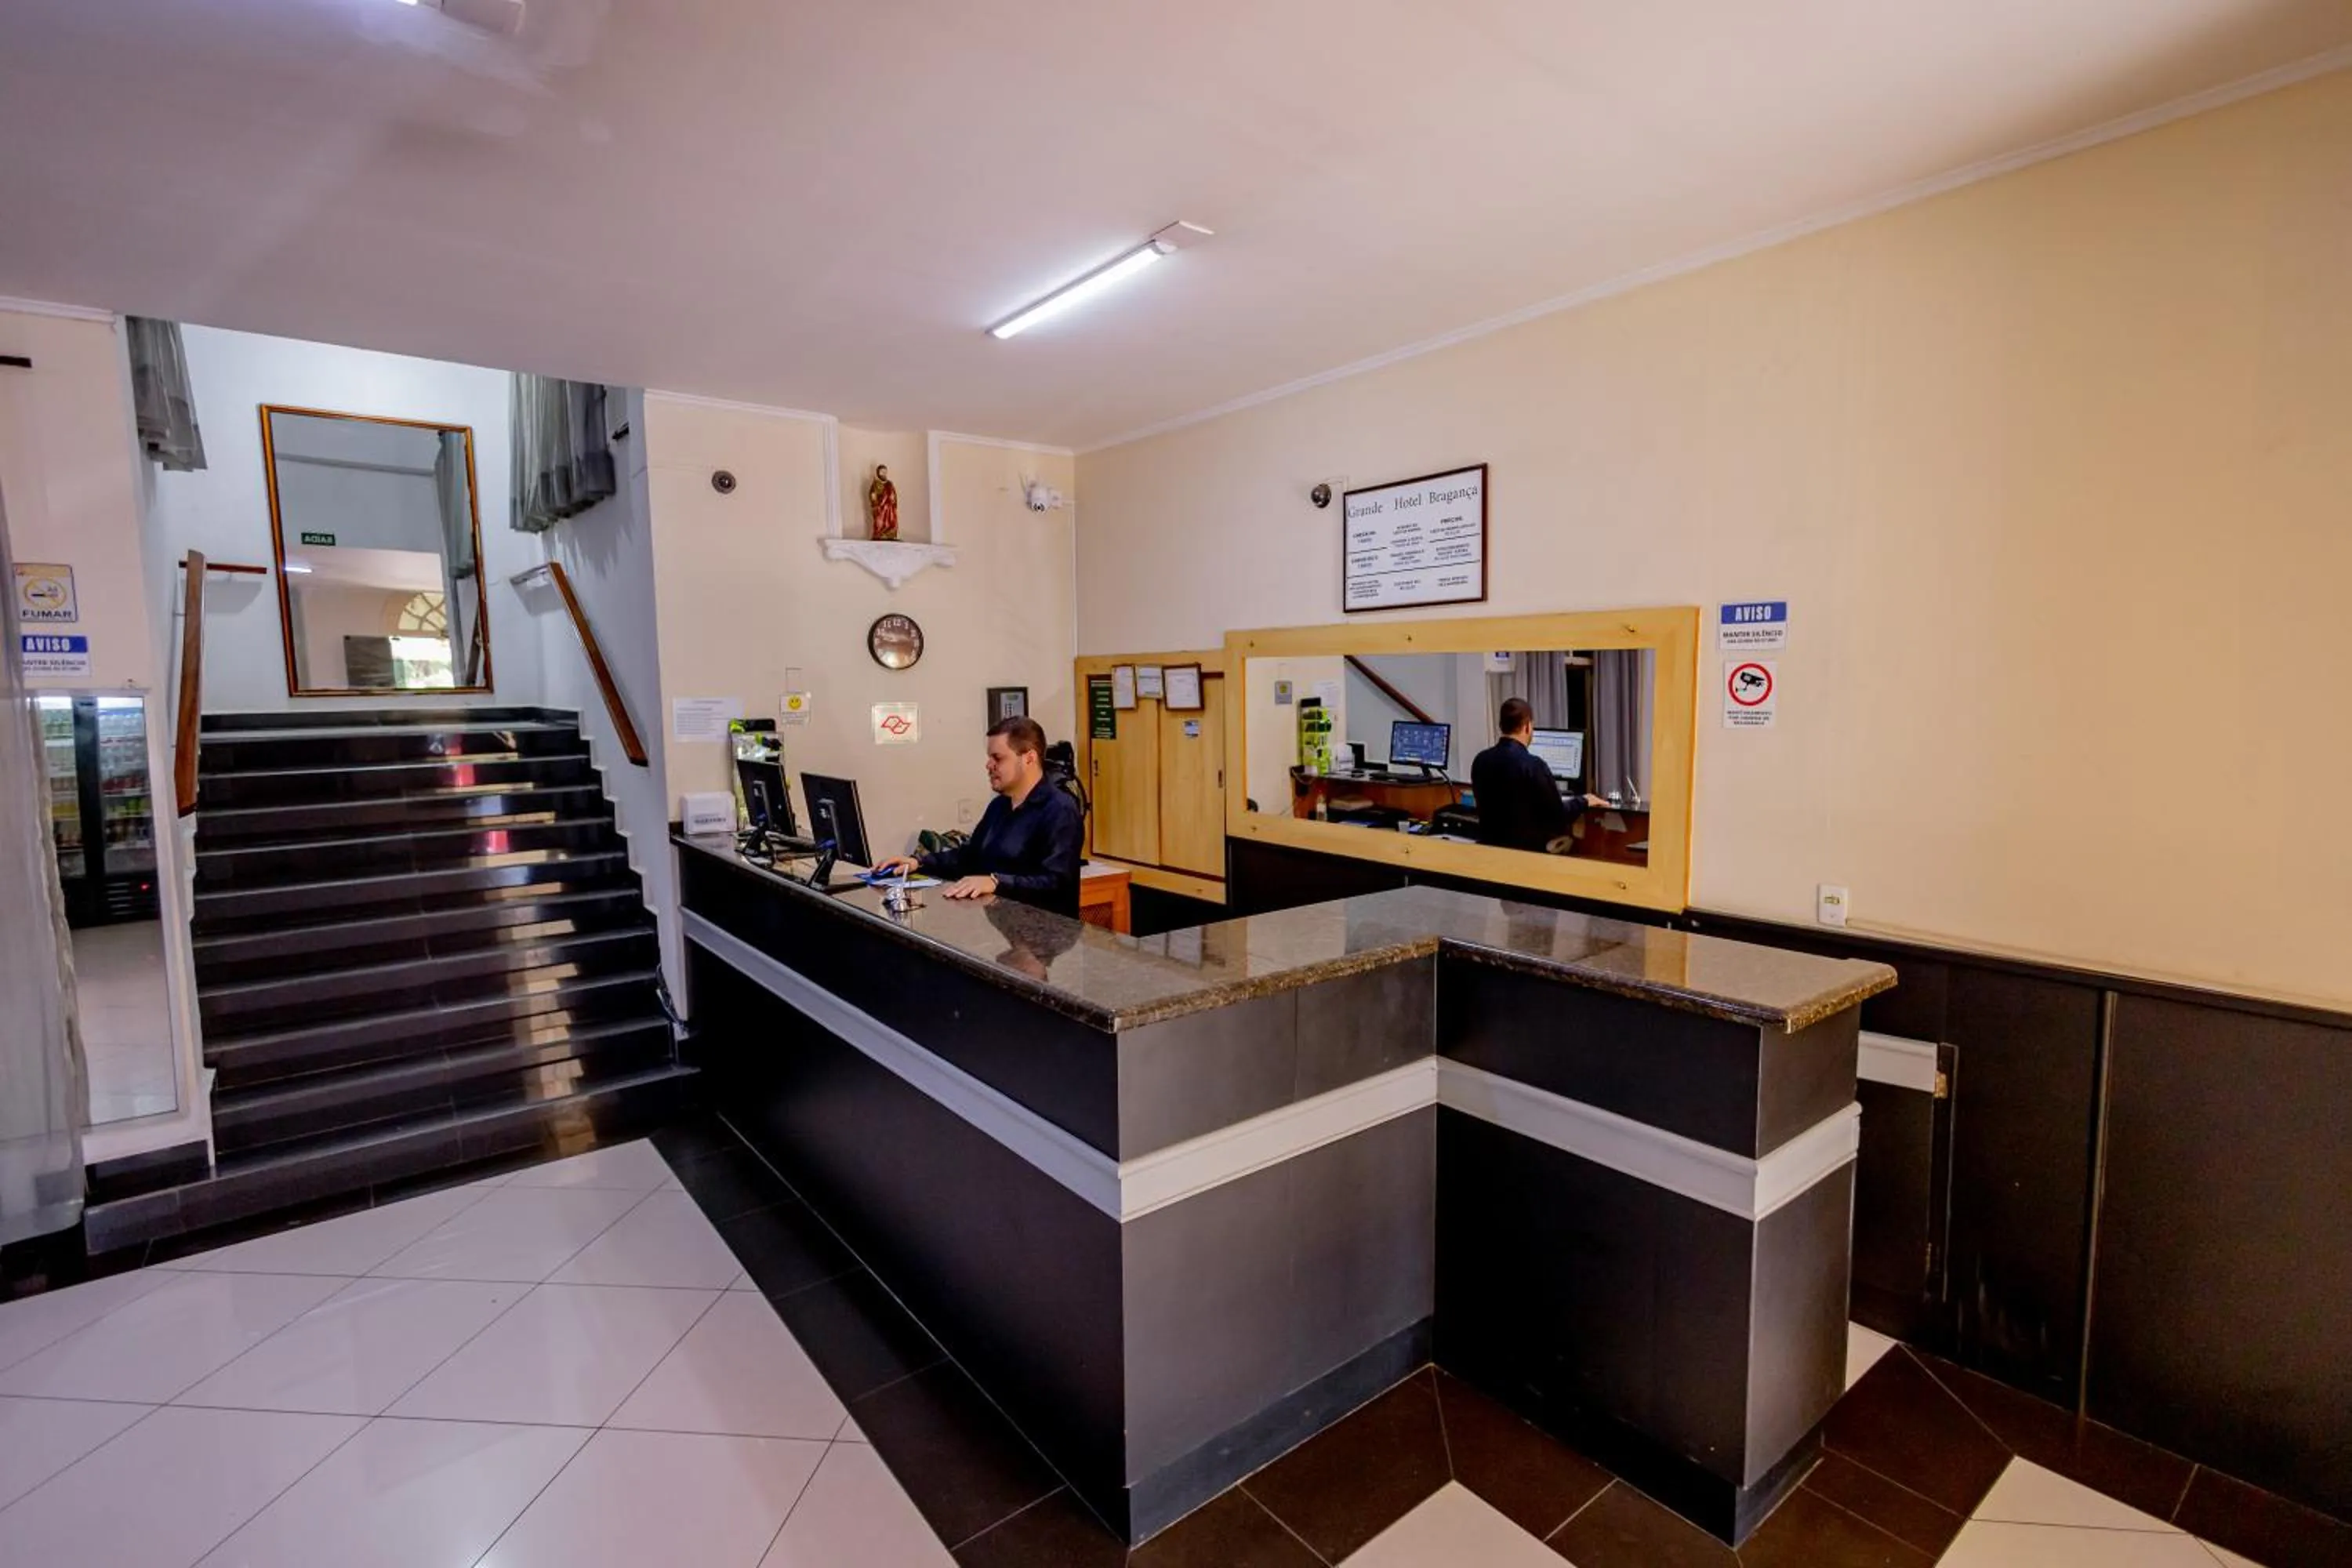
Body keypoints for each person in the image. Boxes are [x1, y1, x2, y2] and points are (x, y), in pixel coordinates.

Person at [876, 716, 1084, 913]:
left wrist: (996, 882)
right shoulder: (999, 806)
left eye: (997, 758)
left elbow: (1057, 883)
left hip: (1044, 932)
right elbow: (970, 857)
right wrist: (918, 863)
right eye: (989, 758)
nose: (989, 765)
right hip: (1001, 925)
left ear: (1029, 759)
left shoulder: (1060, 810)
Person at [1469, 698, 1609, 854]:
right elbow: (1557, 816)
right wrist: (1584, 801)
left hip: (1488, 854)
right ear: (1527, 726)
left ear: (1501, 726)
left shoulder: (1480, 760)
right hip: (1526, 856)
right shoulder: (1534, 766)